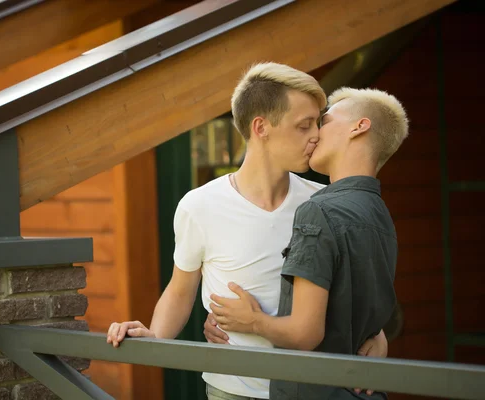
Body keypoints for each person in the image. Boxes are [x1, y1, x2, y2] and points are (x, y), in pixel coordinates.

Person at [106, 63, 388, 400]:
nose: (316, 134)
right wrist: (153, 337)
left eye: (318, 122)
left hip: (310, 391)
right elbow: (180, 291)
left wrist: (377, 334)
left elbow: (351, 286)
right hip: (232, 391)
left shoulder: (321, 203)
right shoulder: (199, 205)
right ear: (261, 127)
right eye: (304, 125)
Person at [209, 87, 408, 399]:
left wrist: (252, 321)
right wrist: (378, 336)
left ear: (360, 126)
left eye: (324, 122)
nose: (314, 134)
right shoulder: (380, 214)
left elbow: (305, 334)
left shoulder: (319, 210)